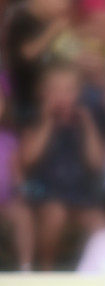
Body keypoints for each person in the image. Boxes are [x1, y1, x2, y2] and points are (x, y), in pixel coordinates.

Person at [19, 60, 105, 269]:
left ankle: (94, 270)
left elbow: (97, 163)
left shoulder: (84, 122)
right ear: (41, 92)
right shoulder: (35, 120)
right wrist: (47, 121)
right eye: (54, 90)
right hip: (44, 192)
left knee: (99, 222)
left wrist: (88, 126)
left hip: (79, 193)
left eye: (68, 90)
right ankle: (46, 266)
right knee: (55, 215)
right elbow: (27, 159)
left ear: (78, 94)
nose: (61, 95)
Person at [0, 77, 35, 270]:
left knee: (23, 215)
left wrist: (21, 192)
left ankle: (25, 267)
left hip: (5, 201)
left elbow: (17, 173)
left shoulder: (9, 138)